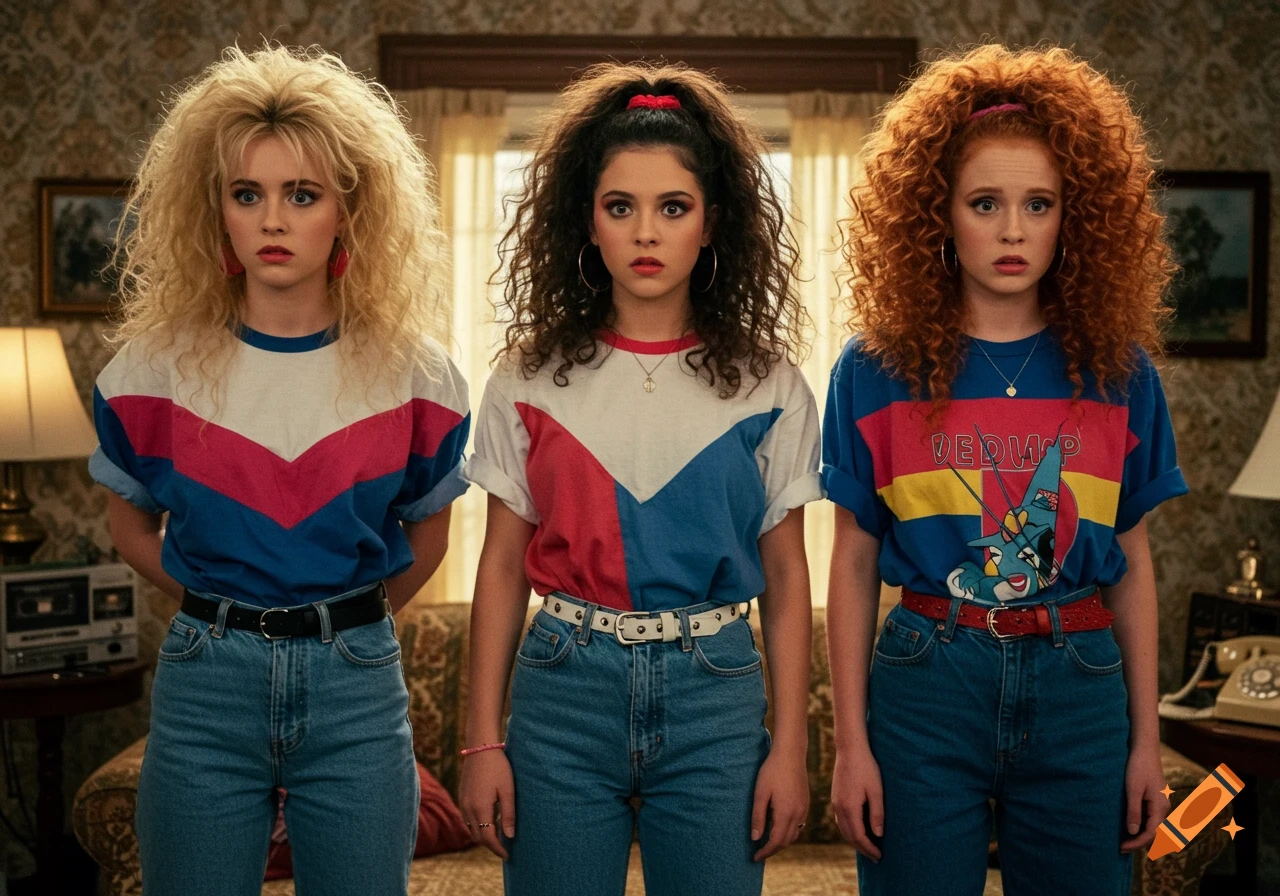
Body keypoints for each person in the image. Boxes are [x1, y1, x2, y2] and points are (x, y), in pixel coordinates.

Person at [90, 44, 469, 896]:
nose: (272, 220)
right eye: (246, 194)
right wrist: (223, 604)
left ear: (349, 211)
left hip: (357, 683)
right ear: (213, 209)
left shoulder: (419, 374)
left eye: (302, 195)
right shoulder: (150, 370)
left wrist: (348, 619)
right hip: (204, 681)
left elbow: (430, 530)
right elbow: (128, 524)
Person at [822, 44, 1189, 896]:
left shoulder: (1119, 371)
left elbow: (1130, 563)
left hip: (1081, 682)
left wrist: (1145, 739)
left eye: (1040, 204)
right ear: (937, 213)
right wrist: (849, 745)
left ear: (1078, 216)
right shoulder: (872, 369)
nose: (1014, 229)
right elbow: (850, 557)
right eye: (986, 203)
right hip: (925, 681)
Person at [460, 62, 820, 896]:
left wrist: (791, 752)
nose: (647, 233)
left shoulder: (771, 384)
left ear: (712, 223)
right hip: (561, 691)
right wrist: (483, 743)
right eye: (621, 208)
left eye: (673, 208)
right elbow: (503, 565)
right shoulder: (527, 376)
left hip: (717, 695)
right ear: (587, 223)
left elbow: (786, 576)